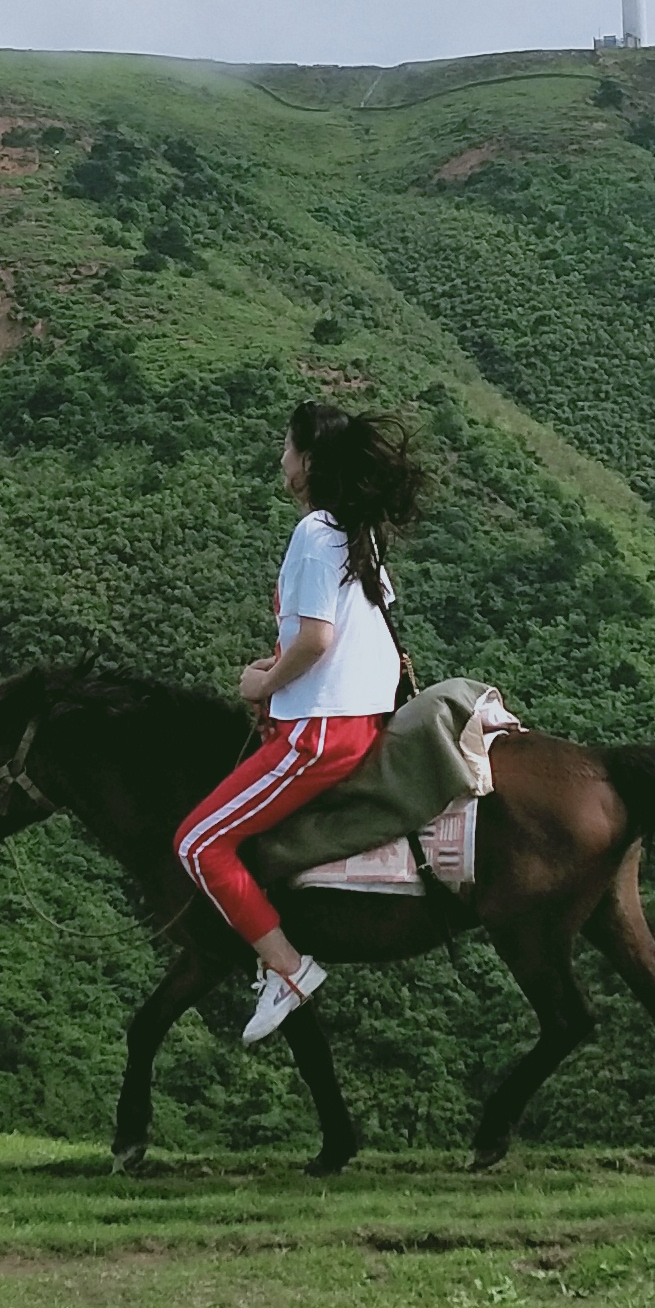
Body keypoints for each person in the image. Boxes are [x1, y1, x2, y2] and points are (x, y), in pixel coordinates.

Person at [175, 402, 423, 1044]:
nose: (280, 460)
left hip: (319, 734)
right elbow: (352, 637)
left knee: (198, 843)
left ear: (307, 462)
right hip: (358, 720)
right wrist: (281, 666)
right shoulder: (356, 531)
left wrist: (264, 682)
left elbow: (316, 639)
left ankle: (287, 969)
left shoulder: (315, 533)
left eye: (286, 448)